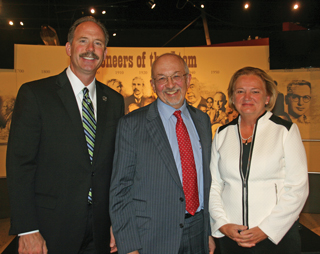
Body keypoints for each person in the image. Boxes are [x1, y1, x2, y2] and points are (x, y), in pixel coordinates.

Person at [6, 16, 124, 253]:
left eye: (98, 43)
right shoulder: (35, 94)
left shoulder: (114, 101)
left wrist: (116, 222)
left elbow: (116, 167)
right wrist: (27, 229)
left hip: (100, 230)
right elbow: (20, 165)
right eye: (83, 41)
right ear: (69, 48)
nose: (90, 49)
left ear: (105, 52)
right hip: (50, 229)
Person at [110, 53, 215, 254]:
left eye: (176, 76)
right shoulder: (131, 125)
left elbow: (207, 180)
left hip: (197, 232)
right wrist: (129, 246)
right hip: (152, 238)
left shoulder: (202, 120)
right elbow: (120, 189)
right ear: (152, 84)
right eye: (161, 78)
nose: (170, 85)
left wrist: (207, 232)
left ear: (188, 79)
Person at [209, 66, 309, 254]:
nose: (247, 97)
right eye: (240, 91)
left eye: (255, 91)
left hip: (276, 238)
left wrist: (266, 230)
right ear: (232, 97)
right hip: (232, 238)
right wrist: (223, 224)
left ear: (268, 97)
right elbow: (214, 185)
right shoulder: (222, 134)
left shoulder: (285, 131)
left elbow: (297, 188)